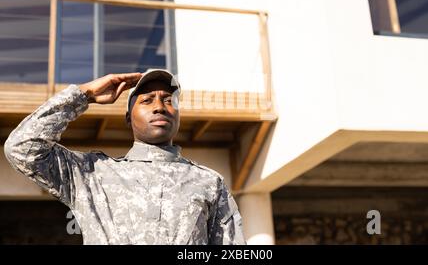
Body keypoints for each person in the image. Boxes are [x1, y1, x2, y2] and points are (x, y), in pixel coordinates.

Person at [4, 69, 246, 245]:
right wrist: (84, 94)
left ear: (178, 115)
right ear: (129, 117)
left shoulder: (210, 183)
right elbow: (22, 147)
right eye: (147, 100)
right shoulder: (91, 174)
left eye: (168, 100)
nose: (160, 107)